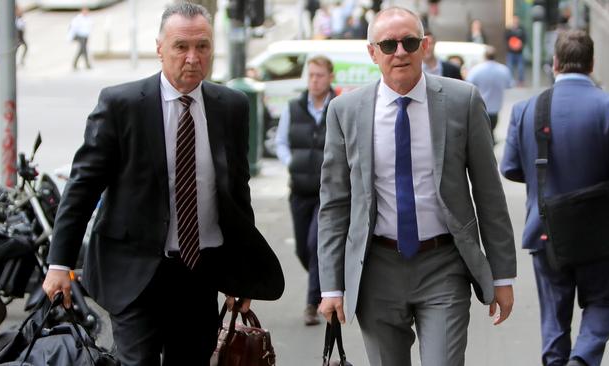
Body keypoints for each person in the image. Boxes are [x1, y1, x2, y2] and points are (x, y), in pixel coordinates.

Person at [42, 3, 284, 365]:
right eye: (181, 47)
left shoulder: (230, 106)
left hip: (199, 273)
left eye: (202, 46)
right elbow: (83, 186)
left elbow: (236, 195)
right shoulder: (121, 105)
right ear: (160, 49)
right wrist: (59, 263)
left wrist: (242, 274)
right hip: (134, 271)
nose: (192, 57)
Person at [317, 6, 517, 366]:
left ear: (425, 46)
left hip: (444, 266)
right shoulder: (344, 111)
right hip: (375, 269)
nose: (400, 52)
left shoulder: (462, 101)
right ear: (372, 52)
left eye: (409, 42)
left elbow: (489, 194)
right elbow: (334, 204)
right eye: (389, 44)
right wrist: (331, 286)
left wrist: (502, 276)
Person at [501, 29, 609, 366]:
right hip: (602, 232)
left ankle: (556, 361)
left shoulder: (526, 109)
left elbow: (509, 168)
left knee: (553, 313)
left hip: (546, 229)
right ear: (592, 63)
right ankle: (582, 359)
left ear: (554, 64)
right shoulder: (608, 106)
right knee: (604, 302)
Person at [274, 56, 336, 326]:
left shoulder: (338, 107)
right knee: (302, 248)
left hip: (328, 193)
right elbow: (281, 142)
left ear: (330, 77)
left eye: (320, 75)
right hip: (299, 190)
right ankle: (321, 282)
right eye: (310, 75)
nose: (314, 80)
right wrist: (293, 163)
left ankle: (312, 304)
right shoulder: (294, 107)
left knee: (315, 245)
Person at [466, 46, 513, 138]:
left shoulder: (476, 70)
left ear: (484, 56)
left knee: (483, 132)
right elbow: (509, 85)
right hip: (496, 106)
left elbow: (468, 83)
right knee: (491, 130)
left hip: (481, 105)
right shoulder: (503, 70)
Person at [505, 15, 526, 85]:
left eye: (516, 19)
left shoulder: (521, 29)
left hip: (519, 52)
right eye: (514, 19)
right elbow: (506, 38)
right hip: (511, 52)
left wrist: (520, 44)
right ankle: (510, 81)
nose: (515, 21)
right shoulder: (509, 29)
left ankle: (521, 81)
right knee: (510, 67)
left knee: (521, 67)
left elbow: (524, 38)